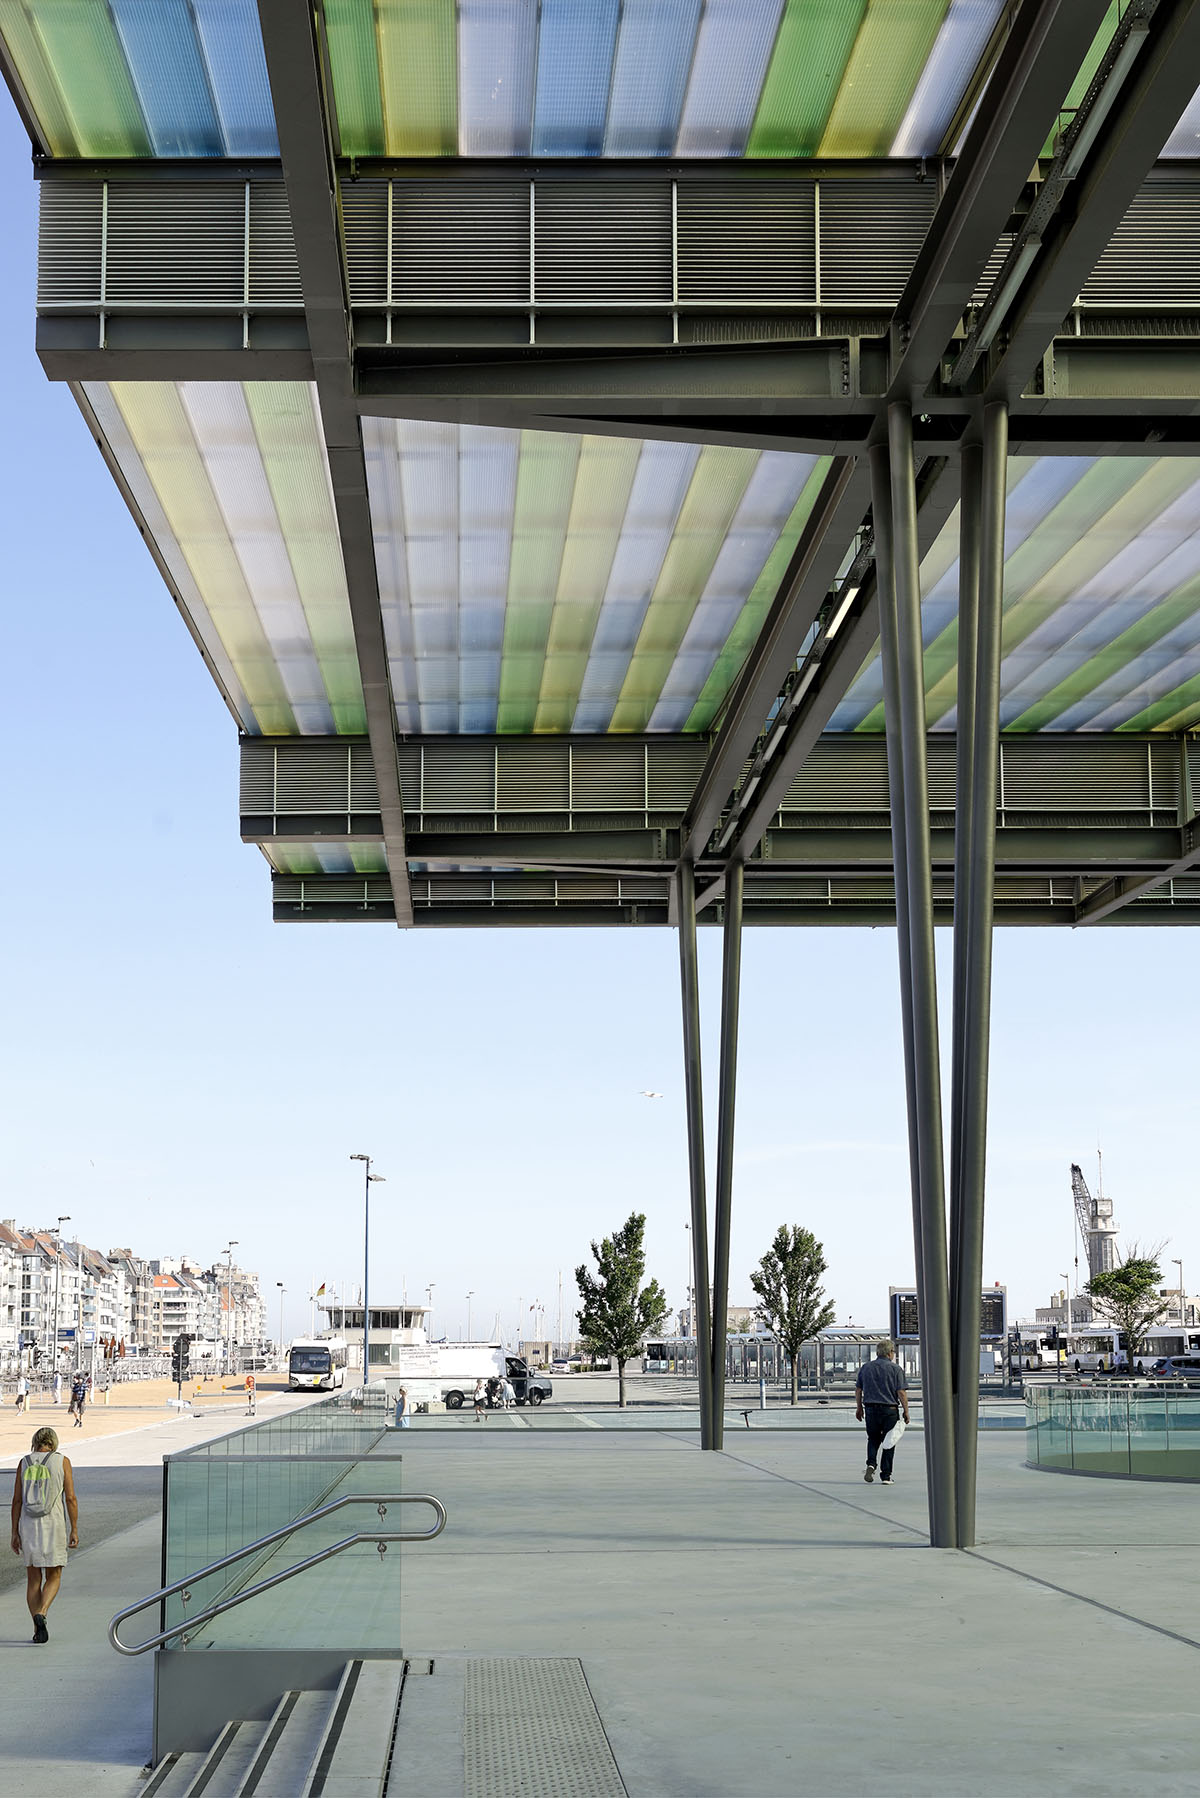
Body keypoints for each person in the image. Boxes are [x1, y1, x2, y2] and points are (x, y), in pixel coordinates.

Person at [10, 1426, 78, 1643]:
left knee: (33, 1580)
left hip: (29, 1524)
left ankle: (37, 1628)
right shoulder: (62, 1461)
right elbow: (70, 1498)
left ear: (35, 1442)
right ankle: (43, 1613)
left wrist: (14, 1531)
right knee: (54, 1575)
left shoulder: (24, 1463)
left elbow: (17, 1500)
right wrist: (74, 1528)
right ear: (53, 1442)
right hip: (54, 1523)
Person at [855, 1340, 910, 1486]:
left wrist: (859, 1407)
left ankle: (871, 1464)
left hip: (871, 1409)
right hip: (889, 1410)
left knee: (873, 1439)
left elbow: (858, 1390)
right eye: (893, 1352)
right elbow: (901, 1392)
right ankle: (886, 1476)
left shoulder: (866, 1368)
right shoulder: (895, 1369)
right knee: (889, 1442)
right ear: (889, 1353)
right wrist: (906, 1411)